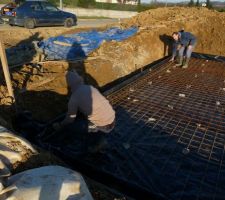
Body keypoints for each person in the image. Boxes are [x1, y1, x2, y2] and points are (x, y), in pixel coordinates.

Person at [53, 71, 115, 151]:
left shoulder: (74, 98)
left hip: (102, 126)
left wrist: (61, 125)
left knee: (71, 128)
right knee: (89, 121)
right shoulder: (91, 88)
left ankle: (98, 143)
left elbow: (70, 119)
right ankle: (98, 134)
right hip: (112, 119)